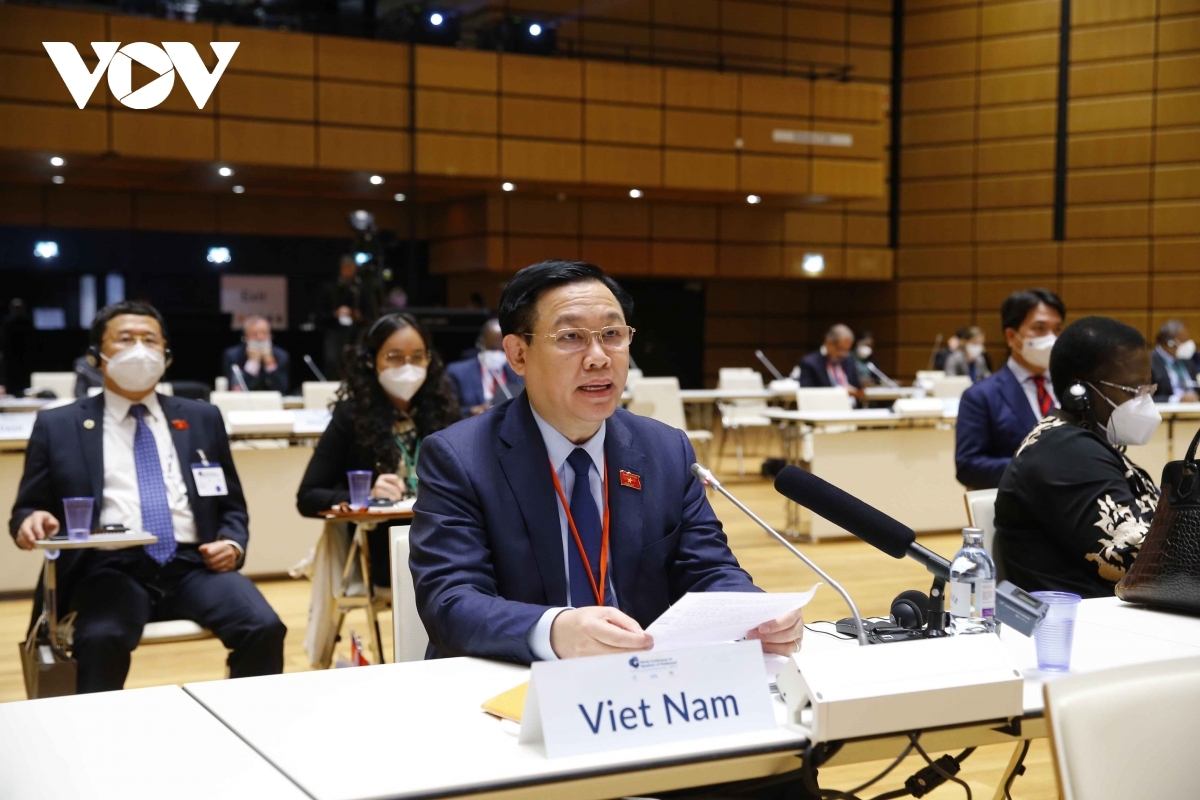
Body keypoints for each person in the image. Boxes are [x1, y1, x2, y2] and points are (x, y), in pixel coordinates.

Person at [409, 260, 805, 664]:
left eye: (612, 335)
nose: (598, 357)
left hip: (639, 679)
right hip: (510, 675)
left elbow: (708, 569)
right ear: (518, 354)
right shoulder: (460, 457)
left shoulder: (666, 450)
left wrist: (753, 614)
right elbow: (451, 601)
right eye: (571, 337)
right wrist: (555, 630)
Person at [9, 301, 285, 692]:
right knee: (101, 638)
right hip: (107, 569)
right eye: (125, 339)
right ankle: (91, 728)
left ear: (166, 354)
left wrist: (232, 543)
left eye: (150, 340)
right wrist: (31, 520)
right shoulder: (59, 424)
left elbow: (231, 505)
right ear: (96, 355)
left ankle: (246, 717)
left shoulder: (202, 418)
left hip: (194, 564)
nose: (139, 349)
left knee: (265, 626)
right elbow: (27, 507)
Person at [995, 316, 1159, 598]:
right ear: (1079, 391)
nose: (1144, 401)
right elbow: (1139, 562)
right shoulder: (1064, 453)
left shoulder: (1084, 444)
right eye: (1134, 391)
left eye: (1148, 390)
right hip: (1082, 620)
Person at [296, 312, 460, 585]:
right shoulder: (351, 416)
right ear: (371, 360)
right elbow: (308, 497)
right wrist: (366, 495)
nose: (407, 367)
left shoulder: (444, 412)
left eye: (417, 357)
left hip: (445, 536)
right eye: (394, 357)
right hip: (385, 547)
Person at [955, 288, 1066, 489]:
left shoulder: (1072, 387)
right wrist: (1038, 468)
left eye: (1057, 329)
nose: (1051, 338)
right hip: (1020, 502)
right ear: (1011, 337)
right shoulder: (980, 396)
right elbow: (968, 466)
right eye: (1040, 328)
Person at [446, 319, 525, 416]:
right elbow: (448, 410)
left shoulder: (519, 372)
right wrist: (472, 411)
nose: (497, 354)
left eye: (502, 350)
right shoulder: (458, 372)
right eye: (492, 349)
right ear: (480, 344)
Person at [797, 324, 865, 404]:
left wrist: (861, 391)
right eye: (840, 349)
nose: (844, 354)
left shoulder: (849, 360)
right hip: (825, 408)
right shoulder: (810, 363)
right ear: (829, 343)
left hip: (853, 408)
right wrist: (839, 392)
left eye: (847, 350)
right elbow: (806, 394)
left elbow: (857, 389)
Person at [222, 315, 291, 393]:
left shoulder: (281, 355)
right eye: (254, 334)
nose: (260, 337)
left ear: (270, 335)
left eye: (264, 333)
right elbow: (236, 389)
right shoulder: (232, 355)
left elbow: (283, 389)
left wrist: (269, 362)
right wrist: (253, 363)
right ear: (245, 337)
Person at [1150, 319, 1198, 403]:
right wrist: (1178, 399)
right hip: (1167, 409)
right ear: (1170, 344)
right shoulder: (1149, 362)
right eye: (1184, 340)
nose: (1188, 344)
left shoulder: (1187, 359)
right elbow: (1145, 398)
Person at [2, 298, 33, 396]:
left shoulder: (27, 322)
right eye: (15, 308)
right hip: (10, 359)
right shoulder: (7, 322)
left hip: (24, 358)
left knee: (24, 384)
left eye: (19, 308)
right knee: (11, 382)